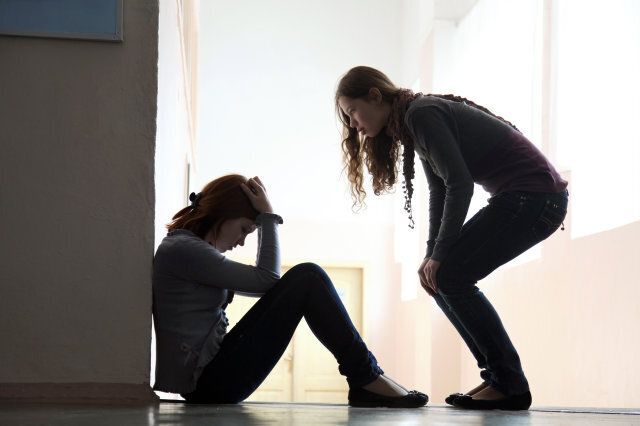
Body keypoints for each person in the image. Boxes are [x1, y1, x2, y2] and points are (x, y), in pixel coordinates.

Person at [335, 66, 568, 410]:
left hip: (535, 198)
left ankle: (508, 383)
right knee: (441, 277)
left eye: (352, 111)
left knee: (451, 275)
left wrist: (441, 255)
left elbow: (459, 184)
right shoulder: (412, 121)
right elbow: (439, 189)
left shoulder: (422, 114)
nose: (353, 124)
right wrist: (432, 256)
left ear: (374, 95)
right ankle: (499, 378)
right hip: (528, 198)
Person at [152, 174, 428, 408]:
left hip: (211, 379)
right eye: (245, 229)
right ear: (223, 214)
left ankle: (367, 376)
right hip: (209, 384)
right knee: (307, 276)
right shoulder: (185, 251)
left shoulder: (187, 251)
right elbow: (267, 280)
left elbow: (265, 285)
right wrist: (268, 218)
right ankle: (366, 378)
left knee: (307, 277)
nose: (242, 241)